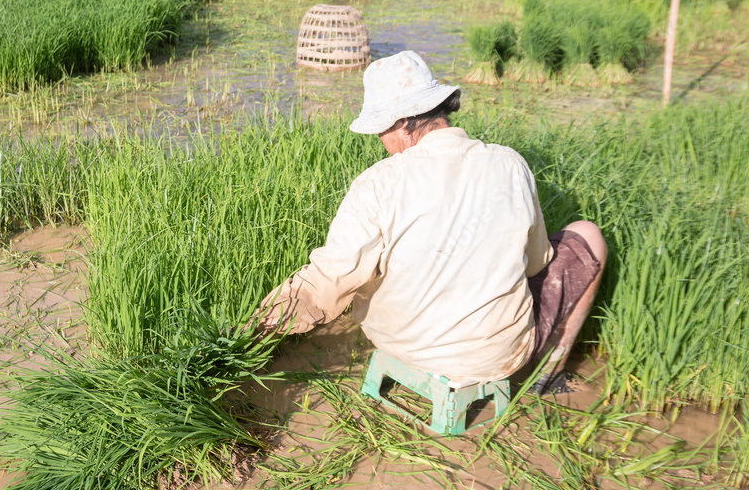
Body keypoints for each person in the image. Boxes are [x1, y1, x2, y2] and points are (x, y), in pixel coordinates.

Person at [255, 50, 607, 392]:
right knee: (588, 234)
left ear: (405, 123)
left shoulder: (378, 182)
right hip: (495, 356)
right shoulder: (510, 164)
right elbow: (536, 263)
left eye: (382, 129)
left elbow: (330, 279)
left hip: (400, 345)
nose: (381, 141)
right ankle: (545, 375)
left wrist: (259, 325)